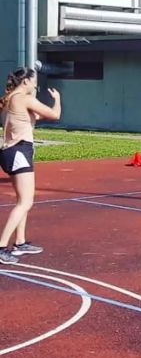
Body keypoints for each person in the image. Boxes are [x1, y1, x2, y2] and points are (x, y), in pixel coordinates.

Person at [1, 67, 62, 263]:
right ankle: (2, 247)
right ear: (25, 81)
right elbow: (55, 115)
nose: (36, 82)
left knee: (22, 200)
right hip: (19, 151)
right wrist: (58, 99)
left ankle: (20, 242)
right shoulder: (23, 98)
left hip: (11, 152)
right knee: (26, 202)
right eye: (34, 80)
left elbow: (38, 116)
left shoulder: (12, 98)